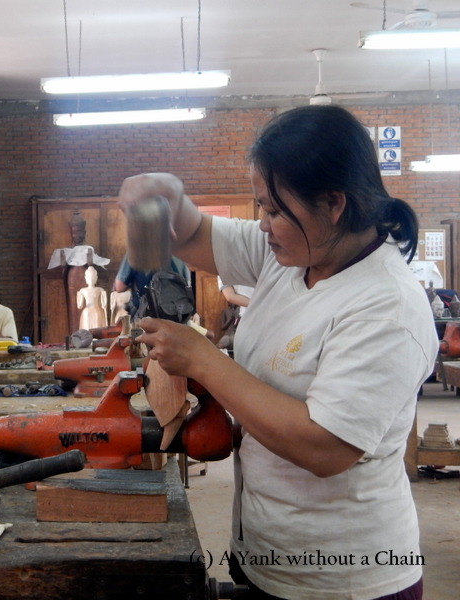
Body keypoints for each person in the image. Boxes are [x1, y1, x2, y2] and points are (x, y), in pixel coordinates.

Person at [119, 105, 437, 600]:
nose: (262, 224)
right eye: (259, 206)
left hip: (342, 577)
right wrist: (167, 198)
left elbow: (325, 446)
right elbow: (193, 235)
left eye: (272, 209)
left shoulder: (386, 306)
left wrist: (204, 361)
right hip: (266, 551)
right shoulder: (292, 255)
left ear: (334, 203)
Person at [113, 253, 191, 317]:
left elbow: (119, 287)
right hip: (178, 314)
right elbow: (188, 284)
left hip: (148, 316)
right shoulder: (180, 253)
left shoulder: (135, 252)